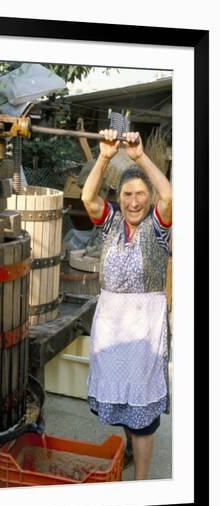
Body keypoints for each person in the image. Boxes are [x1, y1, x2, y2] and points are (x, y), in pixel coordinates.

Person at [81, 129, 172, 480]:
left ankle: (141, 484)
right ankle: (128, 454)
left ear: (148, 199)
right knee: (121, 405)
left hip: (145, 331)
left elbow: (170, 195)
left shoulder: (158, 226)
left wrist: (138, 158)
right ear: (119, 198)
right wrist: (104, 156)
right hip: (114, 327)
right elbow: (88, 196)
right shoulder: (111, 223)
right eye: (127, 195)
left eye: (140, 195)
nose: (134, 202)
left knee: (144, 417)